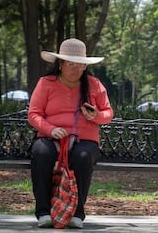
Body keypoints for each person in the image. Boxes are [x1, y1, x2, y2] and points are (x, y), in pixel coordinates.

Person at [28, 38, 113, 229]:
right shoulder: (46, 83)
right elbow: (33, 114)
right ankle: (43, 212)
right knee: (41, 154)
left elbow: (108, 114)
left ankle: (77, 213)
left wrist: (95, 116)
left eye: (80, 65)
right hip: (50, 137)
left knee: (82, 157)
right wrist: (50, 129)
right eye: (71, 64)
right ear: (60, 65)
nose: (76, 69)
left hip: (85, 140)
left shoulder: (94, 84)